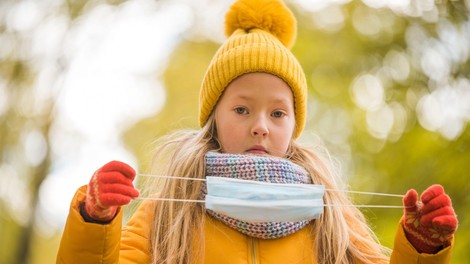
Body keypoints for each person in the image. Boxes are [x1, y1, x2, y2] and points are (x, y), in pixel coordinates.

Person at [56, 0, 458, 263]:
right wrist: (96, 219)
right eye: (242, 109)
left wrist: (423, 248)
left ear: (294, 127)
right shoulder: (170, 205)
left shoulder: (329, 213)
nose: (261, 127)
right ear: (213, 117)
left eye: (279, 114)